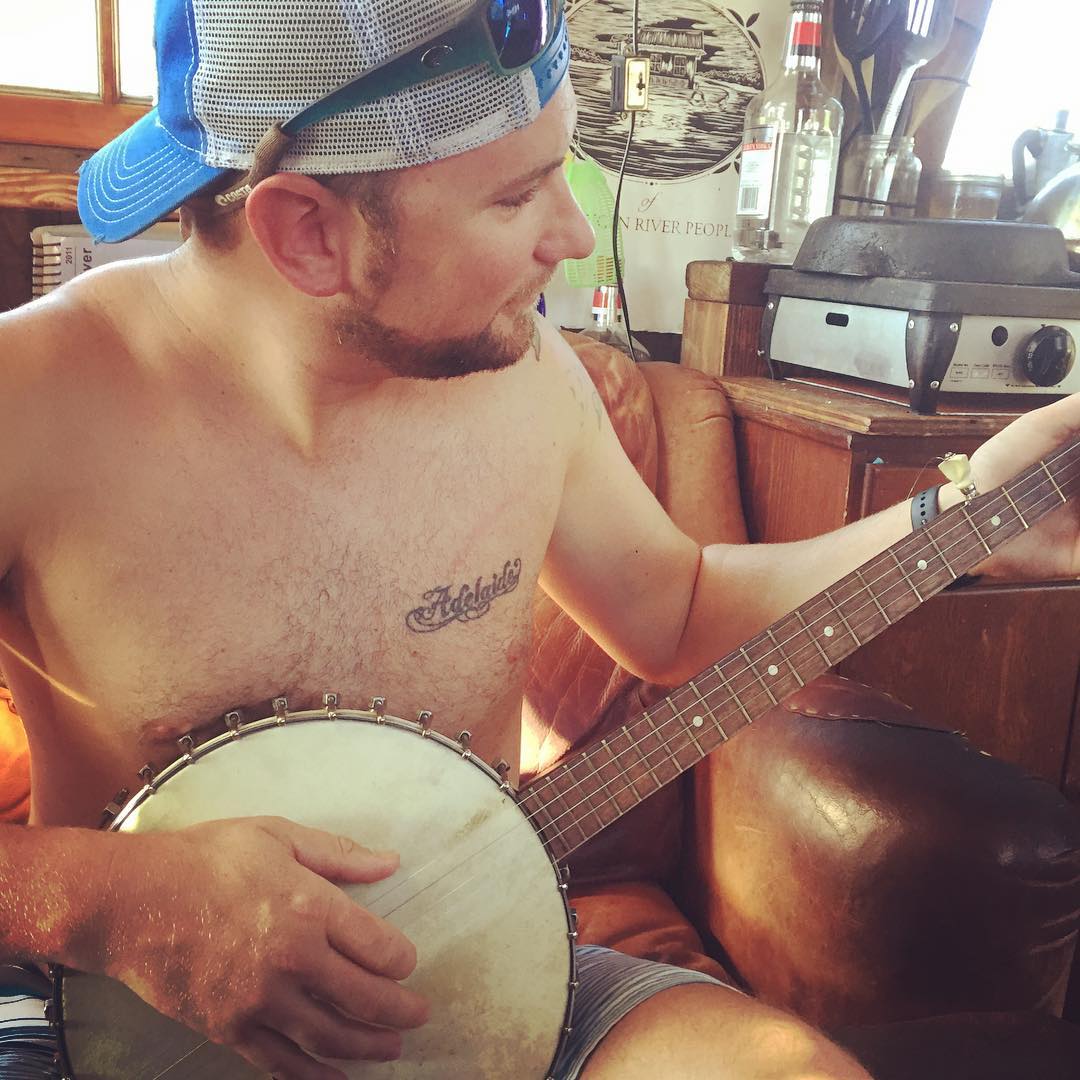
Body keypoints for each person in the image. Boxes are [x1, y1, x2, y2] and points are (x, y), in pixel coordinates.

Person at [1, 1, 1077, 1078]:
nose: (570, 233)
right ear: (307, 232)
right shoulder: (31, 406)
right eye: (517, 196)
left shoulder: (529, 380)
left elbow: (681, 612)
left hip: (486, 966)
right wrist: (114, 905)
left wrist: (969, 509)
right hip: (118, 1020)